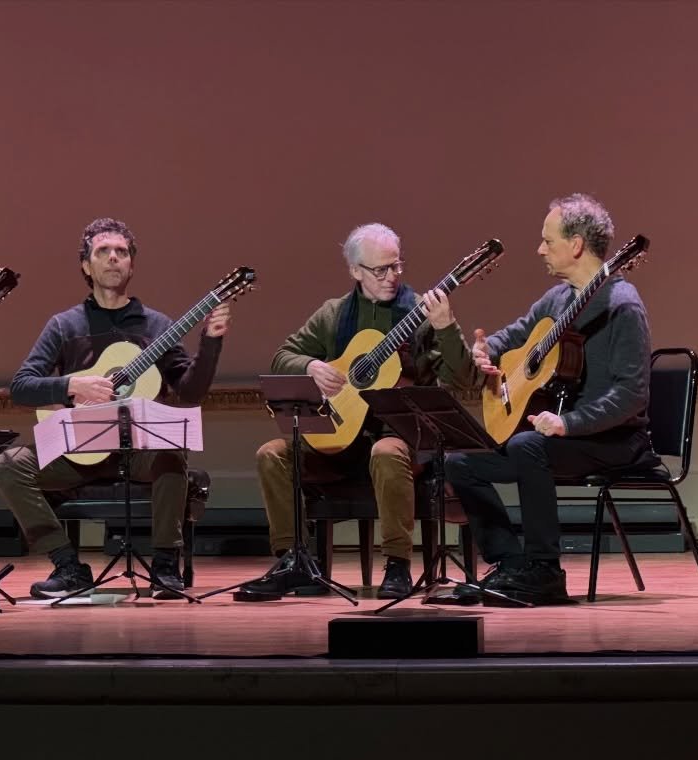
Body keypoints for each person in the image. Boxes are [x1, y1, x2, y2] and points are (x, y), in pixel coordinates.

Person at [0, 217, 231, 599]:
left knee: (172, 449)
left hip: (139, 452)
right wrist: (72, 384)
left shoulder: (157, 326)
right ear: (86, 265)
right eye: (104, 251)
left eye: (122, 252)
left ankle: (165, 568)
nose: (114, 258)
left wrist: (211, 344)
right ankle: (68, 566)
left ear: (132, 264)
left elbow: (190, 393)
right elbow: (22, 387)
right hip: (77, 451)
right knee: (8, 465)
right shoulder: (64, 325)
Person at [241, 222, 476, 599]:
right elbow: (281, 356)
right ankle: (294, 561)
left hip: (397, 438)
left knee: (385, 453)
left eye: (396, 266)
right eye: (380, 269)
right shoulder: (334, 314)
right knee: (272, 454)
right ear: (355, 271)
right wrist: (311, 366)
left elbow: (464, 378)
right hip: (340, 436)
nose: (391, 277)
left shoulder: (419, 313)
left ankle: (397, 564)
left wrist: (446, 327)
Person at [446, 193, 659, 607]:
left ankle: (545, 572)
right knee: (460, 462)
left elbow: (632, 395)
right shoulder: (558, 299)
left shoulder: (623, 306)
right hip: (559, 439)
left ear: (576, 245)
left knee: (527, 446)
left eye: (548, 240)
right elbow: (516, 334)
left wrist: (570, 423)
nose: (540, 249)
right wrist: (485, 350)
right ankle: (510, 563)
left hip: (612, 441)